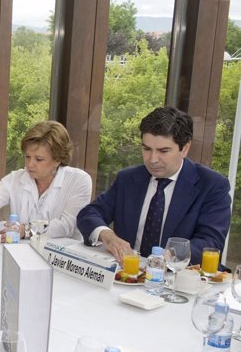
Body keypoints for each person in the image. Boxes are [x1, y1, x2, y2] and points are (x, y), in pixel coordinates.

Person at [77, 106, 231, 266]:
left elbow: (211, 242)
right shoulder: (128, 178)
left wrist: (170, 255)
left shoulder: (212, 185)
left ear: (185, 148)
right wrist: (108, 236)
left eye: (163, 151)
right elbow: (89, 213)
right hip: (126, 275)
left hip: (179, 279)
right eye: (146, 149)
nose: (152, 159)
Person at [0, 121, 92, 239]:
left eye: (39, 159)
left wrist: (26, 230)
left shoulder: (79, 181)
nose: (30, 164)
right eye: (27, 157)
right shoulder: (15, 178)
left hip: (61, 260)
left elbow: (67, 226)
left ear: (58, 160)